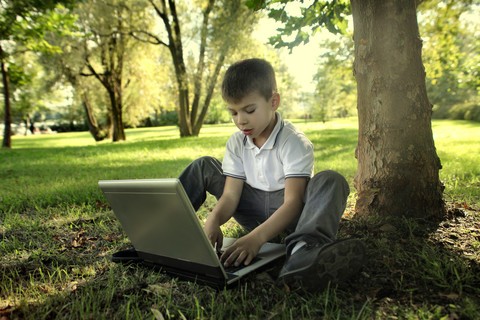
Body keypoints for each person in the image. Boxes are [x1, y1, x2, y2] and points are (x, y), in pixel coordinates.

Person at [178, 58, 365, 292]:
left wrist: (256, 239)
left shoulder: (293, 141)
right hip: (252, 209)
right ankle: (167, 228)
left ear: (273, 101)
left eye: (249, 110)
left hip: (292, 214)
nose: (240, 120)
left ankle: (302, 254)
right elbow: (230, 196)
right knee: (204, 165)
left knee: (331, 180)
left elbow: (294, 202)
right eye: (233, 112)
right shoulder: (237, 143)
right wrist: (213, 220)